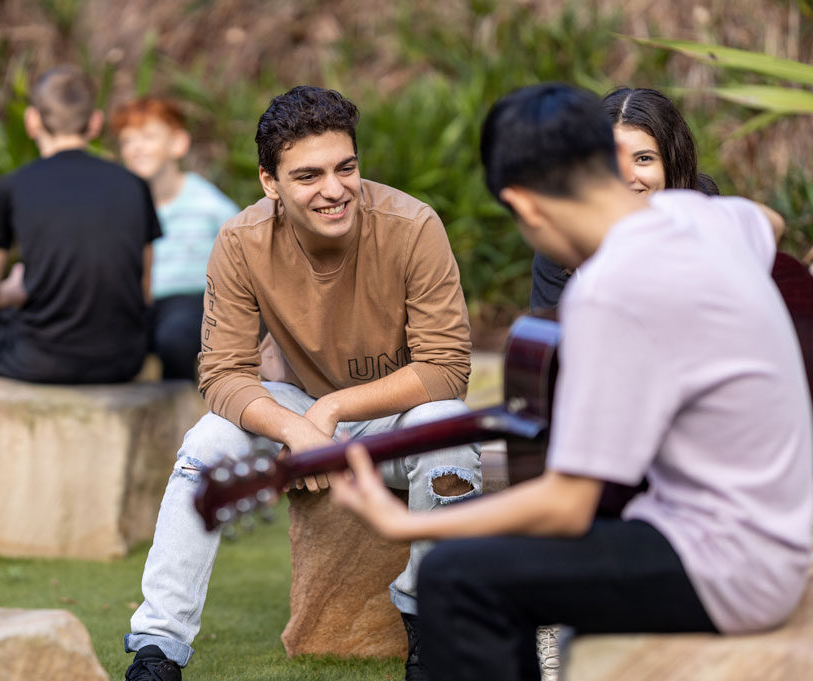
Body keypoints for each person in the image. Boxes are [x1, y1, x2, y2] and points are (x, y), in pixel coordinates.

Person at [330, 82, 810, 681]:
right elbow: (770, 219)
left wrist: (408, 524)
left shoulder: (608, 287)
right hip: (772, 535)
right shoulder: (696, 216)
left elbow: (566, 505)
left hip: (729, 566)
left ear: (526, 206)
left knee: (456, 577)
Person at [123, 86, 482, 681]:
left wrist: (333, 412)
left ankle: (429, 623)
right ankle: (159, 645)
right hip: (295, 413)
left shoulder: (413, 225)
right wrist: (299, 428)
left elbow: (446, 368)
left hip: (393, 419)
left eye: (346, 168)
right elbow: (221, 373)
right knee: (207, 443)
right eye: (309, 175)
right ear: (271, 183)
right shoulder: (241, 241)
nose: (335, 189)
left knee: (447, 434)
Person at [0, 66, 161, 391]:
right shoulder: (134, 185)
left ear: (32, 121)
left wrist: (14, 290)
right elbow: (144, 292)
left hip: (41, 358)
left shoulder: (11, 187)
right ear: (94, 122)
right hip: (123, 357)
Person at [528, 86, 781, 312]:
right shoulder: (563, 240)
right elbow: (553, 344)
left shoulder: (703, 213)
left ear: (672, 164)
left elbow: (772, 226)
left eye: (644, 159)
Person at [110, 97, 240, 380]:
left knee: (175, 337)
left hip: (190, 301)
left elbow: (245, 253)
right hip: (138, 305)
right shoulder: (119, 207)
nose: (136, 148)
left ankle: (177, 410)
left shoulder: (208, 203)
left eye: (148, 137)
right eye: (127, 141)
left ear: (178, 143)